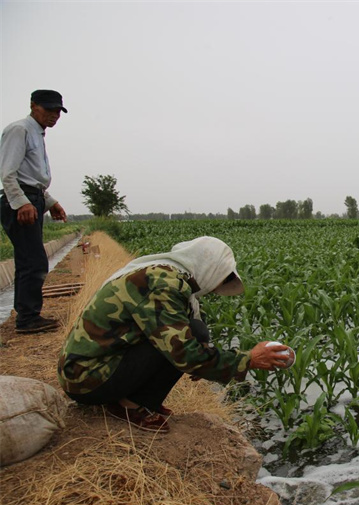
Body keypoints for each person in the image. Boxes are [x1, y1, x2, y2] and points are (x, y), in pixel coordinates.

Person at [57, 236, 292, 433]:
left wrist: (206, 359)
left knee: (196, 332)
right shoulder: (162, 284)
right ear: (207, 266)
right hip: (85, 379)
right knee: (187, 341)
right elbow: (183, 352)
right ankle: (129, 406)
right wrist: (247, 360)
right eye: (220, 275)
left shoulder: (167, 275)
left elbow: (185, 340)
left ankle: (138, 400)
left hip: (98, 366)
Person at [0, 89, 69, 334]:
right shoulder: (20, 130)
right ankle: (28, 319)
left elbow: (34, 178)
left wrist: (50, 203)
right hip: (22, 202)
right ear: (33, 106)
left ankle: (27, 314)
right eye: (49, 109)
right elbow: (8, 174)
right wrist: (22, 203)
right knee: (34, 261)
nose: (54, 115)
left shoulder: (37, 133)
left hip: (33, 198)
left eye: (57, 111)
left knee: (28, 261)